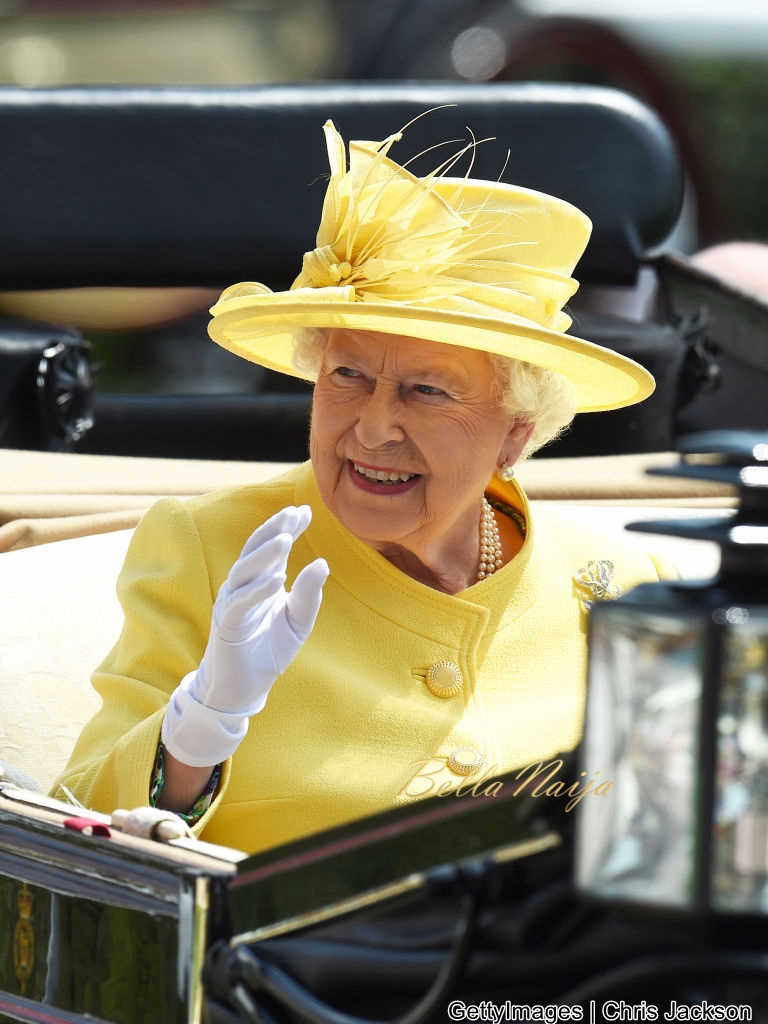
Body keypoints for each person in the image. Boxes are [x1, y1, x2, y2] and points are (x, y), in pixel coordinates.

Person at [52, 117, 670, 855]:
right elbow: (77, 822)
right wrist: (199, 729)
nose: (374, 428)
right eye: (347, 375)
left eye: (427, 391)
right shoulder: (211, 549)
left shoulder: (628, 588)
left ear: (517, 431)